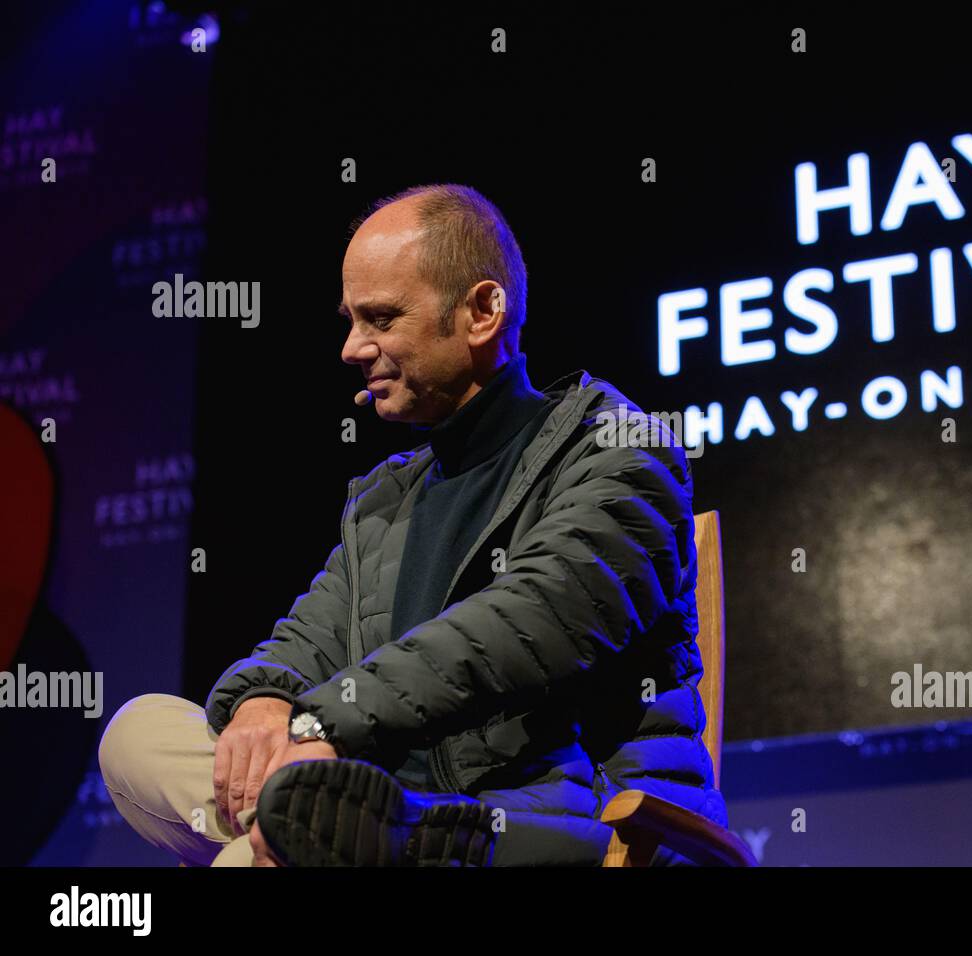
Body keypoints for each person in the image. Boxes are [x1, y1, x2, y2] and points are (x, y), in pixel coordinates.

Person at [97, 183, 727, 866]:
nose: (350, 348)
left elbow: (530, 622)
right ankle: (325, 821)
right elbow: (305, 643)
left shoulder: (621, 447)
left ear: (483, 311)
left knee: (259, 856)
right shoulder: (382, 501)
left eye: (380, 319)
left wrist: (318, 724)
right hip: (371, 792)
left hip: (568, 814)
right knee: (139, 734)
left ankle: (351, 829)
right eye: (349, 320)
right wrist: (263, 704)